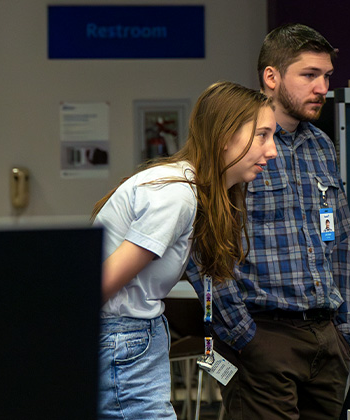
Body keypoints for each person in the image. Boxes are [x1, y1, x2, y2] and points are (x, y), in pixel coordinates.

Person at [186, 23, 350, 420]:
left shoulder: (321, 145)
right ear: (271, 77)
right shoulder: (237, 145)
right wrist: (242, 335)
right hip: (264, 334)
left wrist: (344, 328)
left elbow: (341, 238)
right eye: (309, 75)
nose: (322, 88)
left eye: (326, 76)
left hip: (326, 336)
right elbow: (202, 248)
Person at [93, 81, 277, 419]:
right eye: (262, 135)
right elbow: (99, 284)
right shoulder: (176, 196)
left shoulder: (192, 190)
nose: (273, 150)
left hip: (132, 335)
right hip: (123, 336)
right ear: (225, 136)